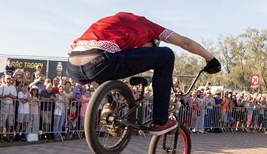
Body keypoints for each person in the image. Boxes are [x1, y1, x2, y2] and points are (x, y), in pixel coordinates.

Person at [65, 12, 221, 135]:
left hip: (73, 67)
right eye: (150, 47)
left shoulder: (110, 22)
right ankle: (160, 122)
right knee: (166, 55)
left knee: (106, 68)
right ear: (152, 40)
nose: (146, 50)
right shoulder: (149, 27)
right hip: (101, 60)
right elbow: (185, 43)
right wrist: (210, 59)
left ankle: (108, 105)